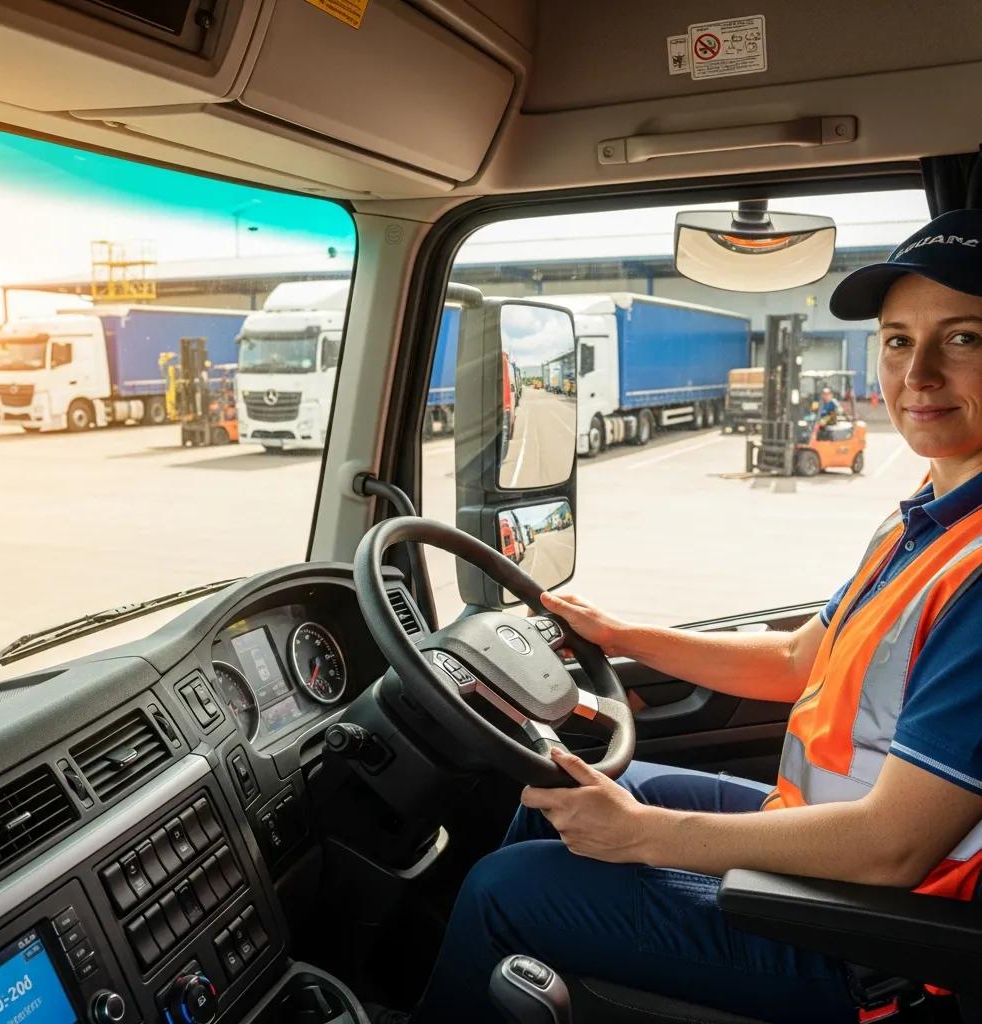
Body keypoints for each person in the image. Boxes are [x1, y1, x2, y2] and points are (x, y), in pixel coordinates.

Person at [396, 209, 982, 1024]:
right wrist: (620, 633)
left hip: (882, 940)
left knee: (505, 887)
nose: (916, 373)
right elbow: (794, 662)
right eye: (895, 339)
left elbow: (894, 845)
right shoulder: (929, 516)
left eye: (963, 339)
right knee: (571, 784)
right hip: (827, 853)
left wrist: (642, 836)